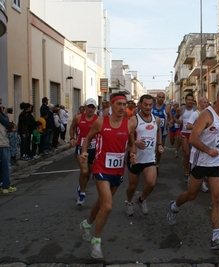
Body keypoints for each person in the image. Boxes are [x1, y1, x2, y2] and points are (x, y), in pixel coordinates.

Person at [166, 83, 219, 250]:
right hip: (200, 162)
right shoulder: (206, 115)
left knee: (218, 198)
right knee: (192, 194)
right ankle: (174, 206)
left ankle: (216, 237)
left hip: (216, 163)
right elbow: (193, 139)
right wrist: (208, 150)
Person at [78, 93, 137, 258]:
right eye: (118, 104)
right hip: (101, 168)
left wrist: (133, 154)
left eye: (124, 105)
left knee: (102, 204)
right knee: (108, 206)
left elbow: (132, 144)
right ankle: (96, 242)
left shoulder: (129, 125)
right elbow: (87, 138)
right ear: (111, 105)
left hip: (117, 171)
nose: (122, 108)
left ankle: (87, 223)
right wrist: (84, 152)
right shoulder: (101, 122)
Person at [125, 94, 164, 216]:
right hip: (135, 157)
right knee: (132, 186)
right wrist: (135, 142)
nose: (148, 107)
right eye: (145, 104)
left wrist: (159, 144)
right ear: (140, 104)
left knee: (152, 182)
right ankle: (129, 202)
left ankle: (141, 200)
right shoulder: (133, 120)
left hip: (149, 158)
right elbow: (124, 137)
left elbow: (158, 131)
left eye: (150, 105)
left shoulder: (156, 119)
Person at [70, 98, 99, 206]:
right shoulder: (78, 118)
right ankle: (82, 194)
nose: (91, 109)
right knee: (84, 171)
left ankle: (81, 187)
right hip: (81, 147)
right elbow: (72, 128)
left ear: (95, 109)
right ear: (85, 107)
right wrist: (72, 138)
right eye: (89, 107)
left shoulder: (98, 120)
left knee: (89, 172)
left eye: (93, 107)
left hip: (94, 148)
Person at [186, 96, 209, 192]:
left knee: (204, 163)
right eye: (204, 102)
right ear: (199, 103)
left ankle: (202, 181)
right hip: (197, 142)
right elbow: (188, 126)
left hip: (206, 142)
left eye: (207, 102)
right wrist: (199, 126)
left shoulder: (209, 114)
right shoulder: (196, 114)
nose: (206, 104)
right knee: (195, 163)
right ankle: (191, 179)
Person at [174, 93, 196, 182]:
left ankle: (192, 171)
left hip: (194, 134)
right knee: (187, 153)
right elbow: (175, 117)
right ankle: (186, 172)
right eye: (188, 100)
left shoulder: (196, 109)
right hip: (184, 134)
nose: (190, 101)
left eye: (192, 100)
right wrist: (178, 121)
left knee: (192, 154)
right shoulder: (181, 109)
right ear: (185, 100)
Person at [151, 92, 173, 170]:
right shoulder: (151, 107)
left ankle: (156, 164)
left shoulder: (166, 108)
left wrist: (170, 122)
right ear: (156, 98)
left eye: (162, 97)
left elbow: (171, 118)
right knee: (151, 149)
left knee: (159, 150)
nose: (161, 99)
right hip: (151, 132)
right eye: (159, 97)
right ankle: (151, 163)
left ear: (164, 98)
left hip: (162, 132)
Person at [0, 106, 17, 194]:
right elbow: (7, 123)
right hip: (2, 144)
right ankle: (5, 186)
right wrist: (4, 114)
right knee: (5, 165)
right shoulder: (2, 116)